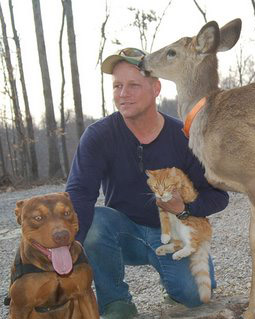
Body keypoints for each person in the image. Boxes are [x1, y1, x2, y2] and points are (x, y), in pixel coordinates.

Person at [66, 47, 229, 319]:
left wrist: (184, 209)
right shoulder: (99, 136)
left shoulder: (183, 136)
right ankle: (116, 302)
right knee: (95, 220)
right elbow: (79, 193)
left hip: (174, 231)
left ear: (156, 88)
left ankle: (177, 285)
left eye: (133, 85)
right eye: (117, 86)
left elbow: (219, 196)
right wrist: (72, 246)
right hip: (123, 233)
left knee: (196, 295)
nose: (123, 94)